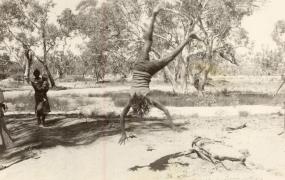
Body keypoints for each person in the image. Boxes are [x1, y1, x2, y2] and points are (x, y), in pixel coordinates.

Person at [119, 4, 201, 144]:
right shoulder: (132, 97)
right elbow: (122, 115)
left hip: (147, 70)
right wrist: (123, 132)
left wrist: (173, 125)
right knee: (148, 41)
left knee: (169, 57)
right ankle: (155, 14)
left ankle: (188, 39)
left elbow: (165, 110)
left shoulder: (145, 98)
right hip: (138, 67)